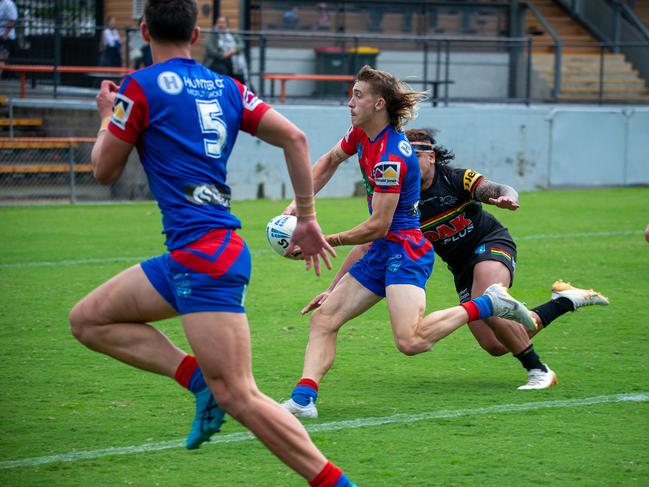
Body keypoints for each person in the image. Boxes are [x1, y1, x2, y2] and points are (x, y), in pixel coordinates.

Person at [68, 1, 356, 485]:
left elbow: (103, 170)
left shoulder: (137, 87)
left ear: (142, 32)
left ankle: (336, 482)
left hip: (204, 256)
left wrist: (105, 118)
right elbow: (296, 139)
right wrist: (306, 215)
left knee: (240, 395)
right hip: (193, 253)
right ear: (197, 34)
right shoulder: (227, 86)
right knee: (89, 319)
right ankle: (197, 379)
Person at [279, 65, 538, 419]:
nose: (349, 102)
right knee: (324, 319)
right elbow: (328, 161)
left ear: (378, 104)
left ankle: (486, 304)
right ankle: (304, 399)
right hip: (382, 250)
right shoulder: (360, 135)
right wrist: (299, 205)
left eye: (358, 95)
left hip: (404, 249)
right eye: (351, 94)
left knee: (411, 342)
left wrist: (323, 239)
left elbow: (378, 225)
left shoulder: (391, 156)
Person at [297, 127, 610, 397]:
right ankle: (564, 301)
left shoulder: (455, 179)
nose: (410, 166)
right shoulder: (401, 199)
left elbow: (496, 188)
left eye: (416, 159)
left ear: (431, 157)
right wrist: (332, 289)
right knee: (496, 344)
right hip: (459, 266)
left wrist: (507, 197)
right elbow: (367, 246)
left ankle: (539, 370)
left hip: (489, 244)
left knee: (485, 301)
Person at [203, 16, 245, 84]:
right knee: (223, 71)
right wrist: (223, 55)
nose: (221, 24)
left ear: (227, 24)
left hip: (231, 61)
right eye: (219, 22)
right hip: (215, 61)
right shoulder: (213, 34)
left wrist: (233, 50)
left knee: (239, 74)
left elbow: (241, 44)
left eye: (223, 22)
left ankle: (242, 91)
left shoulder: (232, 34)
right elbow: (211, 50)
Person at [0, 0, 17, 67]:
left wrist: (5, 35)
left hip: (5, 38)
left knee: (1, 59)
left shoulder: (8, 3)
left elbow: (12, 20)